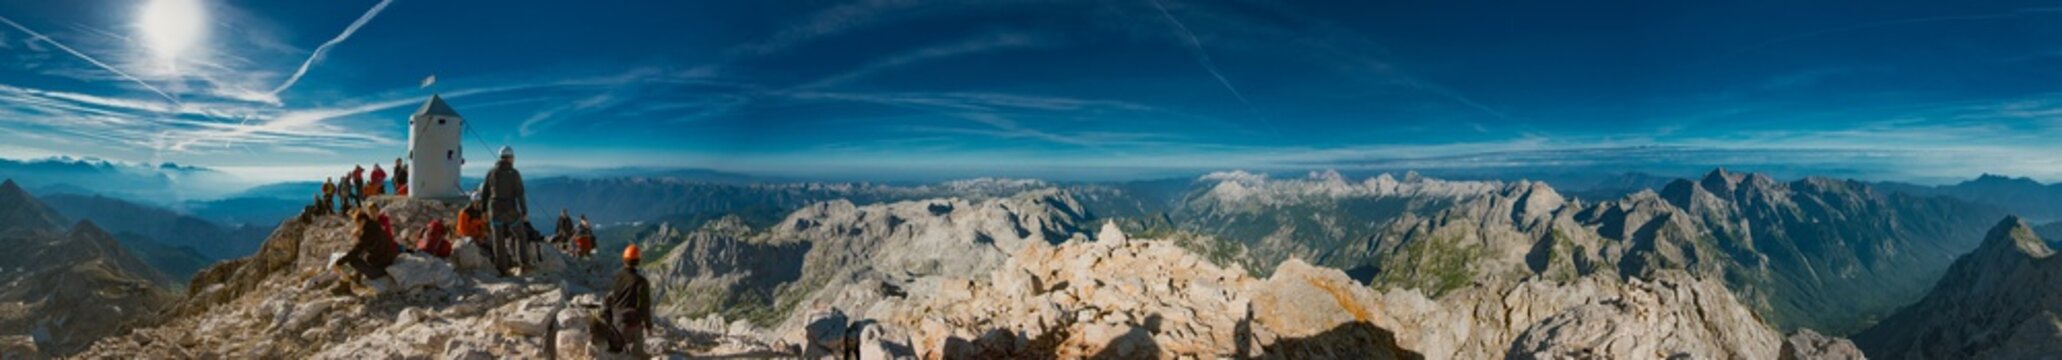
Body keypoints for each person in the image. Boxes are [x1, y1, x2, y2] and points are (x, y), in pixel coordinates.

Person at [591, 244, 651, 356]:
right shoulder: (641, 281)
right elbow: (645, 306)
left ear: (624, 259)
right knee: (639, 350)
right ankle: (639, 355)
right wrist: (648, 325)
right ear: (638, 261)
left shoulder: (616, 276)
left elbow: (610, 299)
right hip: (632, 325)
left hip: (616, 325)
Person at [479, 146, 529, 275]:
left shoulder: (491, 172)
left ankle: (502, 269)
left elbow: (485, 193)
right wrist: (524, 212)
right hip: (510, 209)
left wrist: (483, 211)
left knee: (498, 240)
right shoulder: (513, 173)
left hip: (494, 209)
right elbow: (520, 194)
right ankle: (523, 264)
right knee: (520, 235)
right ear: (510, 158)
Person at [337, 208, 401, 293]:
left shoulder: (368, 232)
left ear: (363, 221)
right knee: (358, 255)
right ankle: (356, 281)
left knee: (351, 261)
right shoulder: (376, 226)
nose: (357, 225)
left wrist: (339, 261)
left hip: (379, 269)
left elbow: (356, 250)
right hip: (387, 262)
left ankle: (345, 287)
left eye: (357, 223)